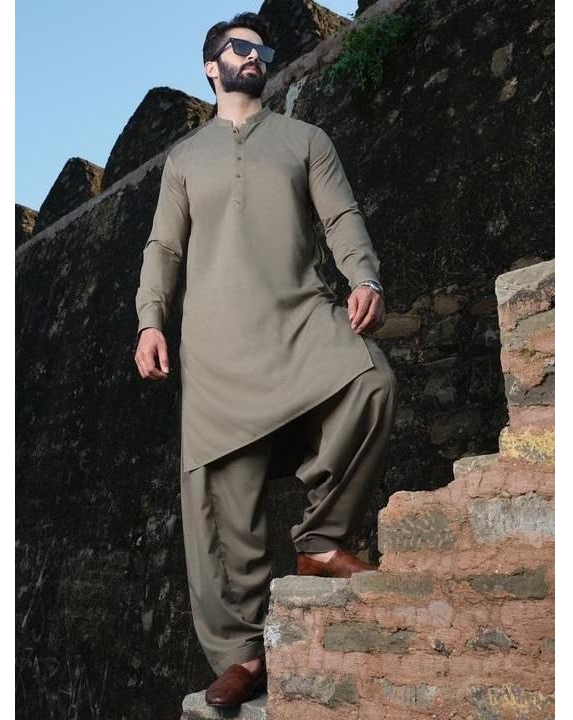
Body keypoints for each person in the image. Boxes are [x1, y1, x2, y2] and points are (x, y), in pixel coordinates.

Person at [133, 12, 398, 709]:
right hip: (216, 346)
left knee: (371, 381)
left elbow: (341, 218)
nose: (254, 55)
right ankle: (243, 655)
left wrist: (364, 277)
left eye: (262, 48)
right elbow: (164, 248)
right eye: (239, 47)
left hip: (299, 317)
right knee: (228, 504)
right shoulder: (184, 159)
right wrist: (150, 321)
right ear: (210, 66)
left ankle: (323, 538)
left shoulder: (305, 140)